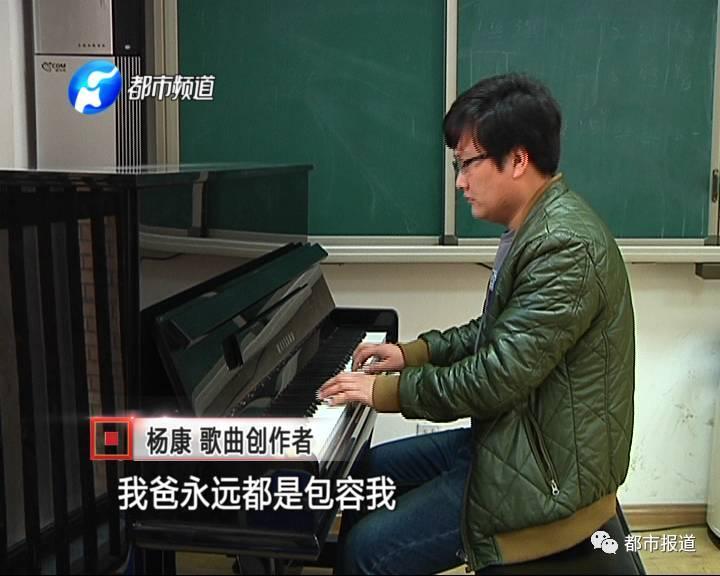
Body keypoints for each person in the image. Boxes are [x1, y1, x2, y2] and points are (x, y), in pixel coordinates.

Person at [319, 73, 635, 575]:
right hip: (514, 440)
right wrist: (413, 353)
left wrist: (385, 392)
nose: (460, 181)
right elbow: (495, 334)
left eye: (468, 163)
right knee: (366, 474)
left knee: (364, 552)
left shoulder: (565, 247)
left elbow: (494, 377)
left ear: (518, 160)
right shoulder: (534, 227)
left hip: (545, 480)